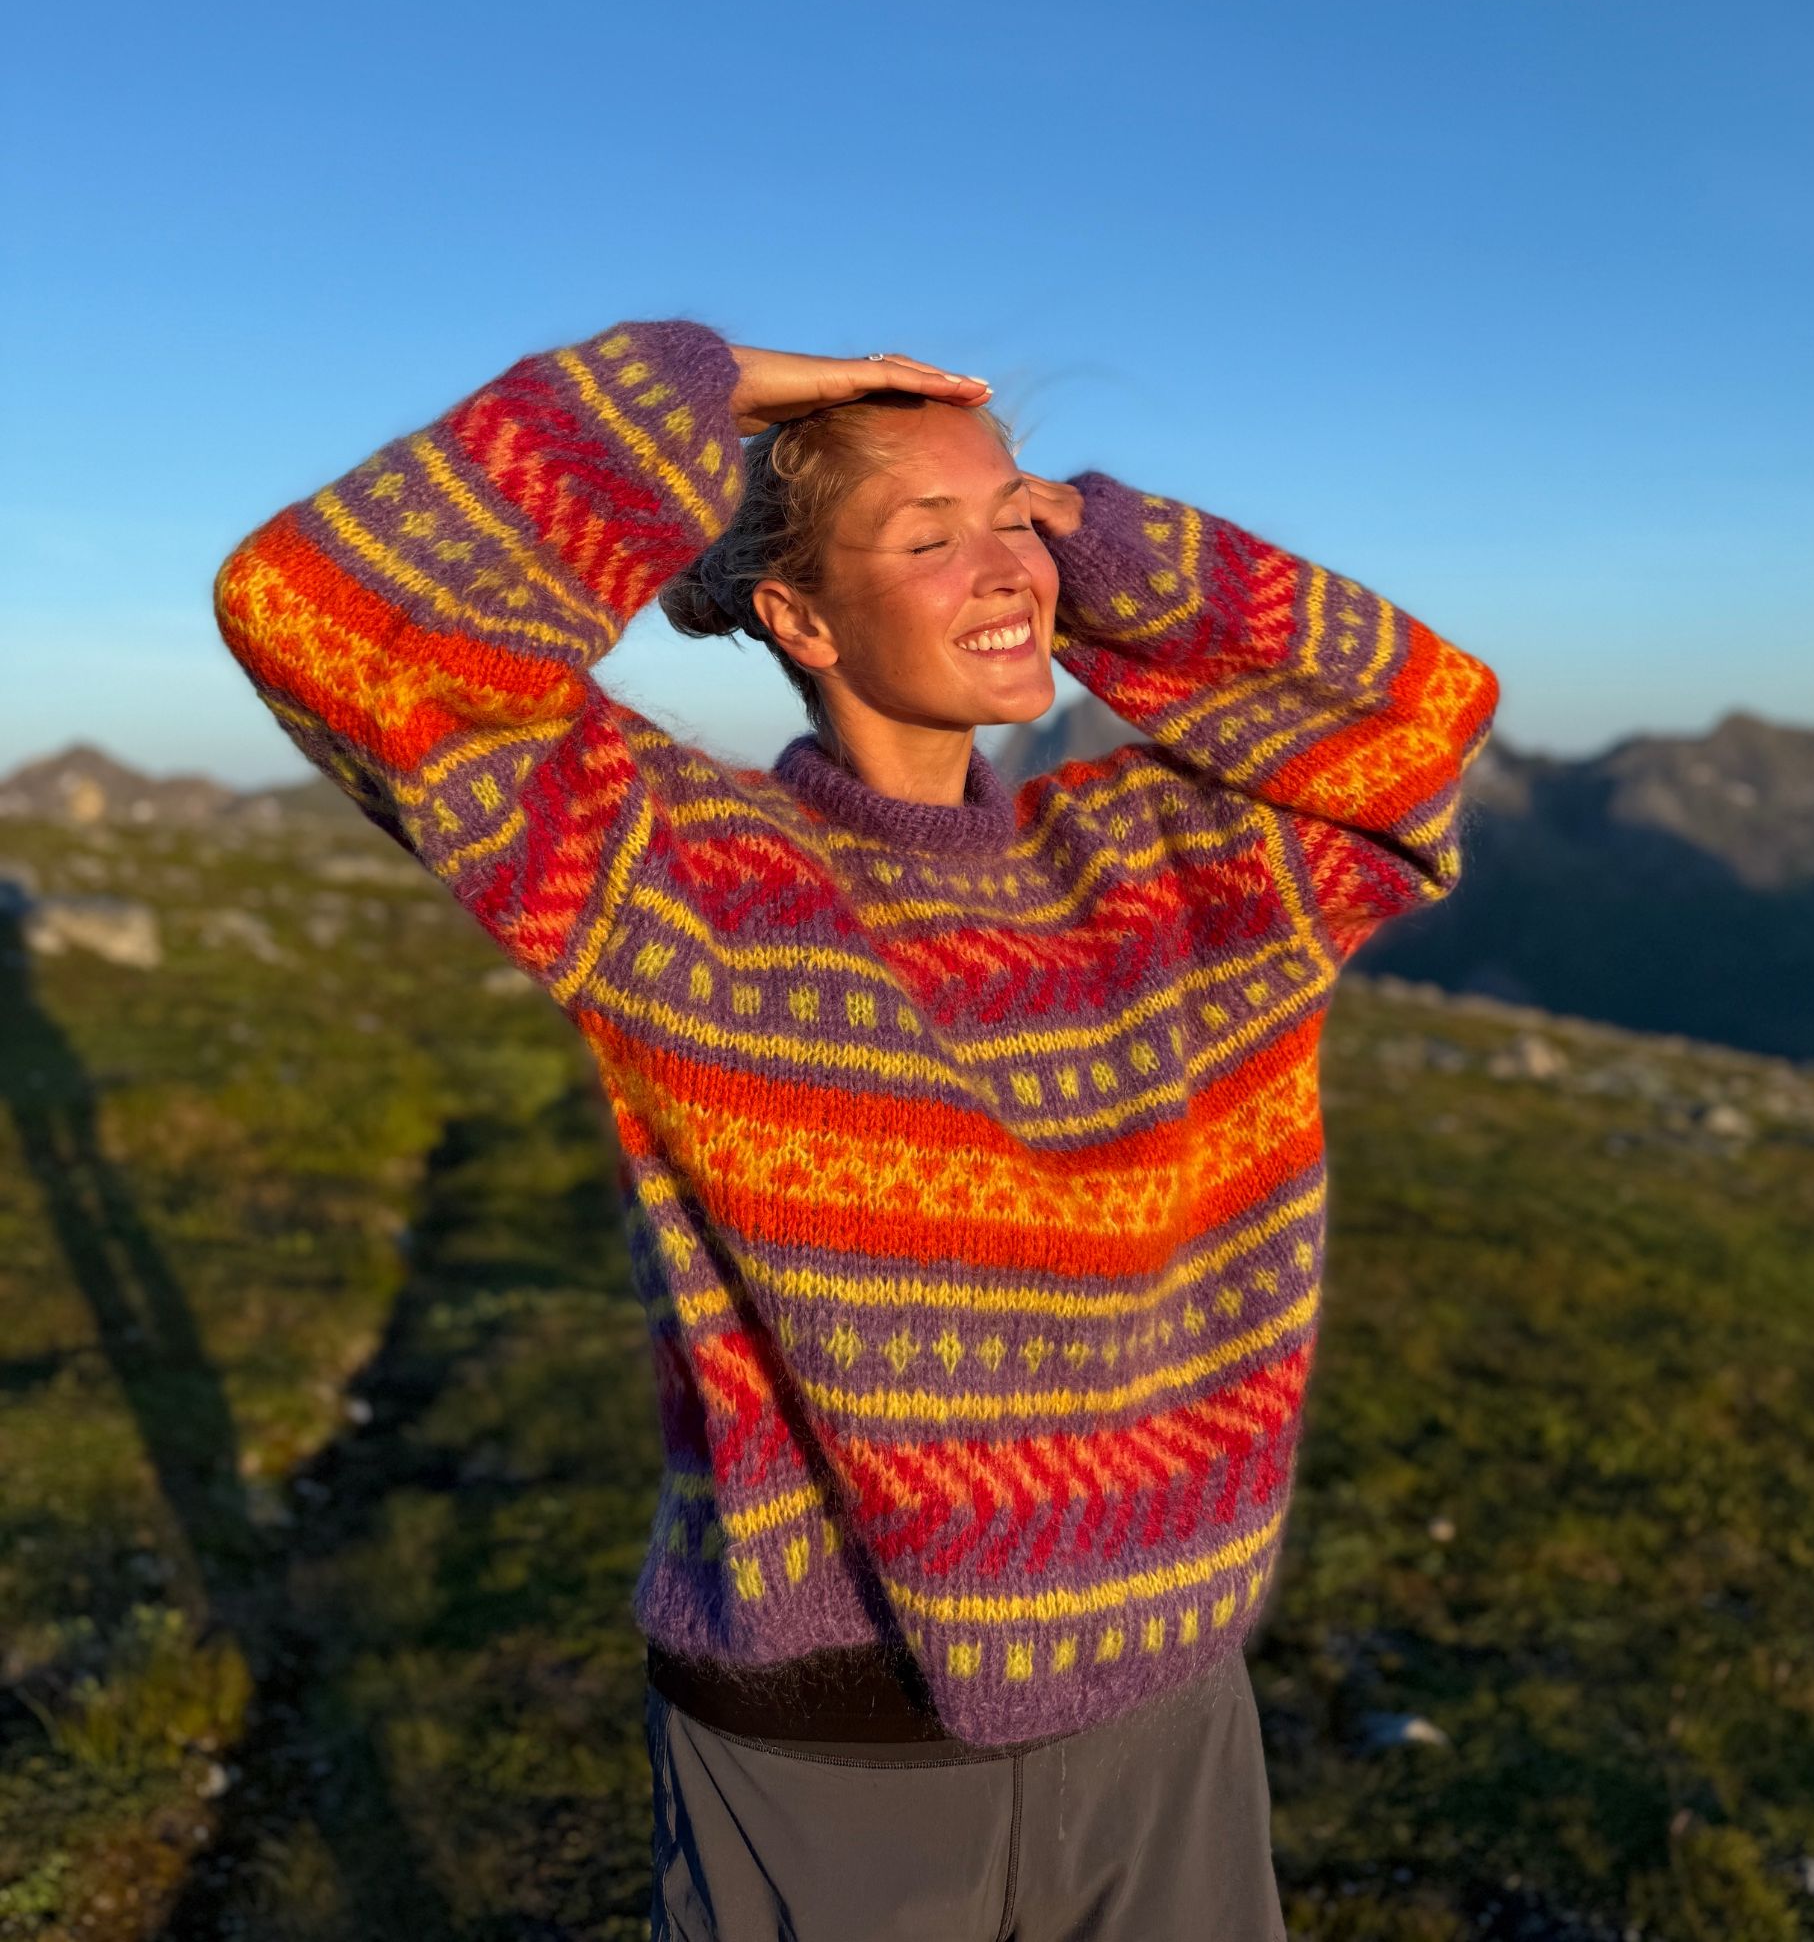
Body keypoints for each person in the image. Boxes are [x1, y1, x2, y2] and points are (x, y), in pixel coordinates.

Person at [214, 319, 1499, 1940]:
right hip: (830, 1762)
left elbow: (1414, 732)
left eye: (1014, 520)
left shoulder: (1165, 865)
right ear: (797, 614)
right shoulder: (689, 878)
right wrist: (687, 392)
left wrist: (1098, 545)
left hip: (1167, 1717)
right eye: (930, 535)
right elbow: (332, 620)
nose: (1004, 565)